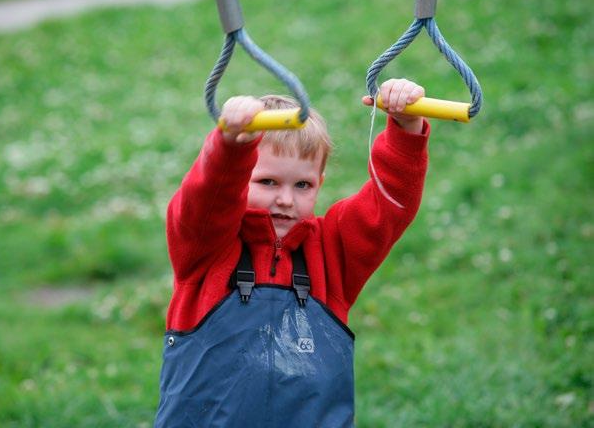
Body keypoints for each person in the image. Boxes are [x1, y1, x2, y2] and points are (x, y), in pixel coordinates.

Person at [154, 78, 430, 427]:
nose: (285, 200)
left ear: (320, 184)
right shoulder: (205, 245)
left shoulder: (332, 251)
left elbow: (390, 204)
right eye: (267, 182)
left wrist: (406, 129)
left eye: (302, 185)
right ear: (239, 177)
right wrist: (230, 148)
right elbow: (206, 198)